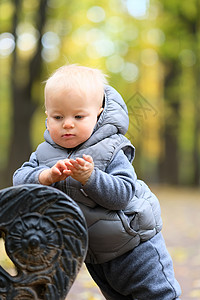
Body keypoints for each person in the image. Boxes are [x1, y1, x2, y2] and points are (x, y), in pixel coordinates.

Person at [13, 64, 181, 299]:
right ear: (47, 117)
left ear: (99, 114)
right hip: (96, 257)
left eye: (78, 116)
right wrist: (45, 176)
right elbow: (19, 182)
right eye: (58, 117)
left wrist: (91, 178)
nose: (67, 124)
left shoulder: (111, 148)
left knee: (156, 295)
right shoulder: (44, 154)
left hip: (134, 246)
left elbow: (123, 194)